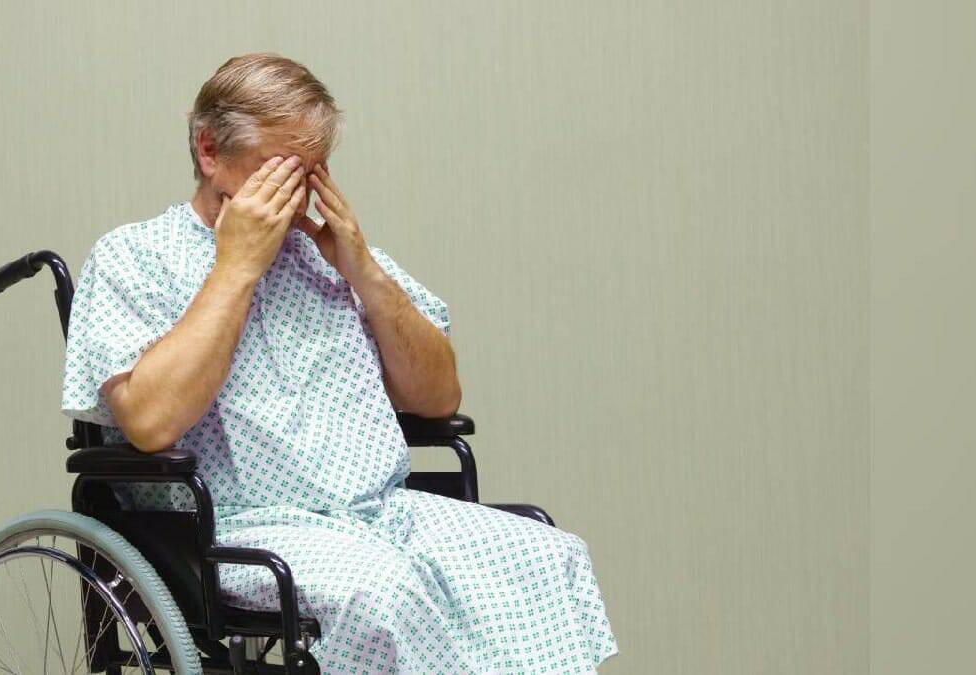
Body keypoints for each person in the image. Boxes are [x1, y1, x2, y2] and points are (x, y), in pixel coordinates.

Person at [61, 52, 620, 673]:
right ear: (210, 150)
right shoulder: (133, 257)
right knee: (388, 596)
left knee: (548, 556)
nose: (297, 192)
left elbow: (438, 398)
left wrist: (363, 270)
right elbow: (148, 421)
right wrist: (236, 267)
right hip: (234, 530)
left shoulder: (326, 256)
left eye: (311, 171)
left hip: (382, 512)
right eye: (279, 169)